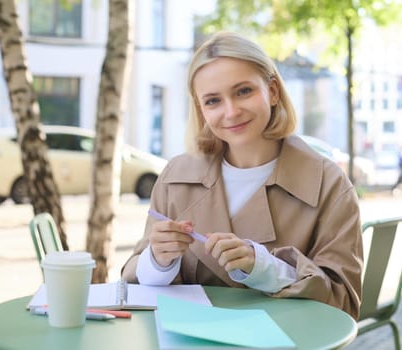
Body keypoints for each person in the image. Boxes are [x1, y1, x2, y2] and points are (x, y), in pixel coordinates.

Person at [121, 31, 363, 318]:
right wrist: (157, 261)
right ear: (200, 110)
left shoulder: (328, 184)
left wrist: (264, 267)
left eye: (244, 91)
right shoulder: (175, 177)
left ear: (272, 91)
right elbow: (131, 279)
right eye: (213, 101)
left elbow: (344, 302)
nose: (231, 111)